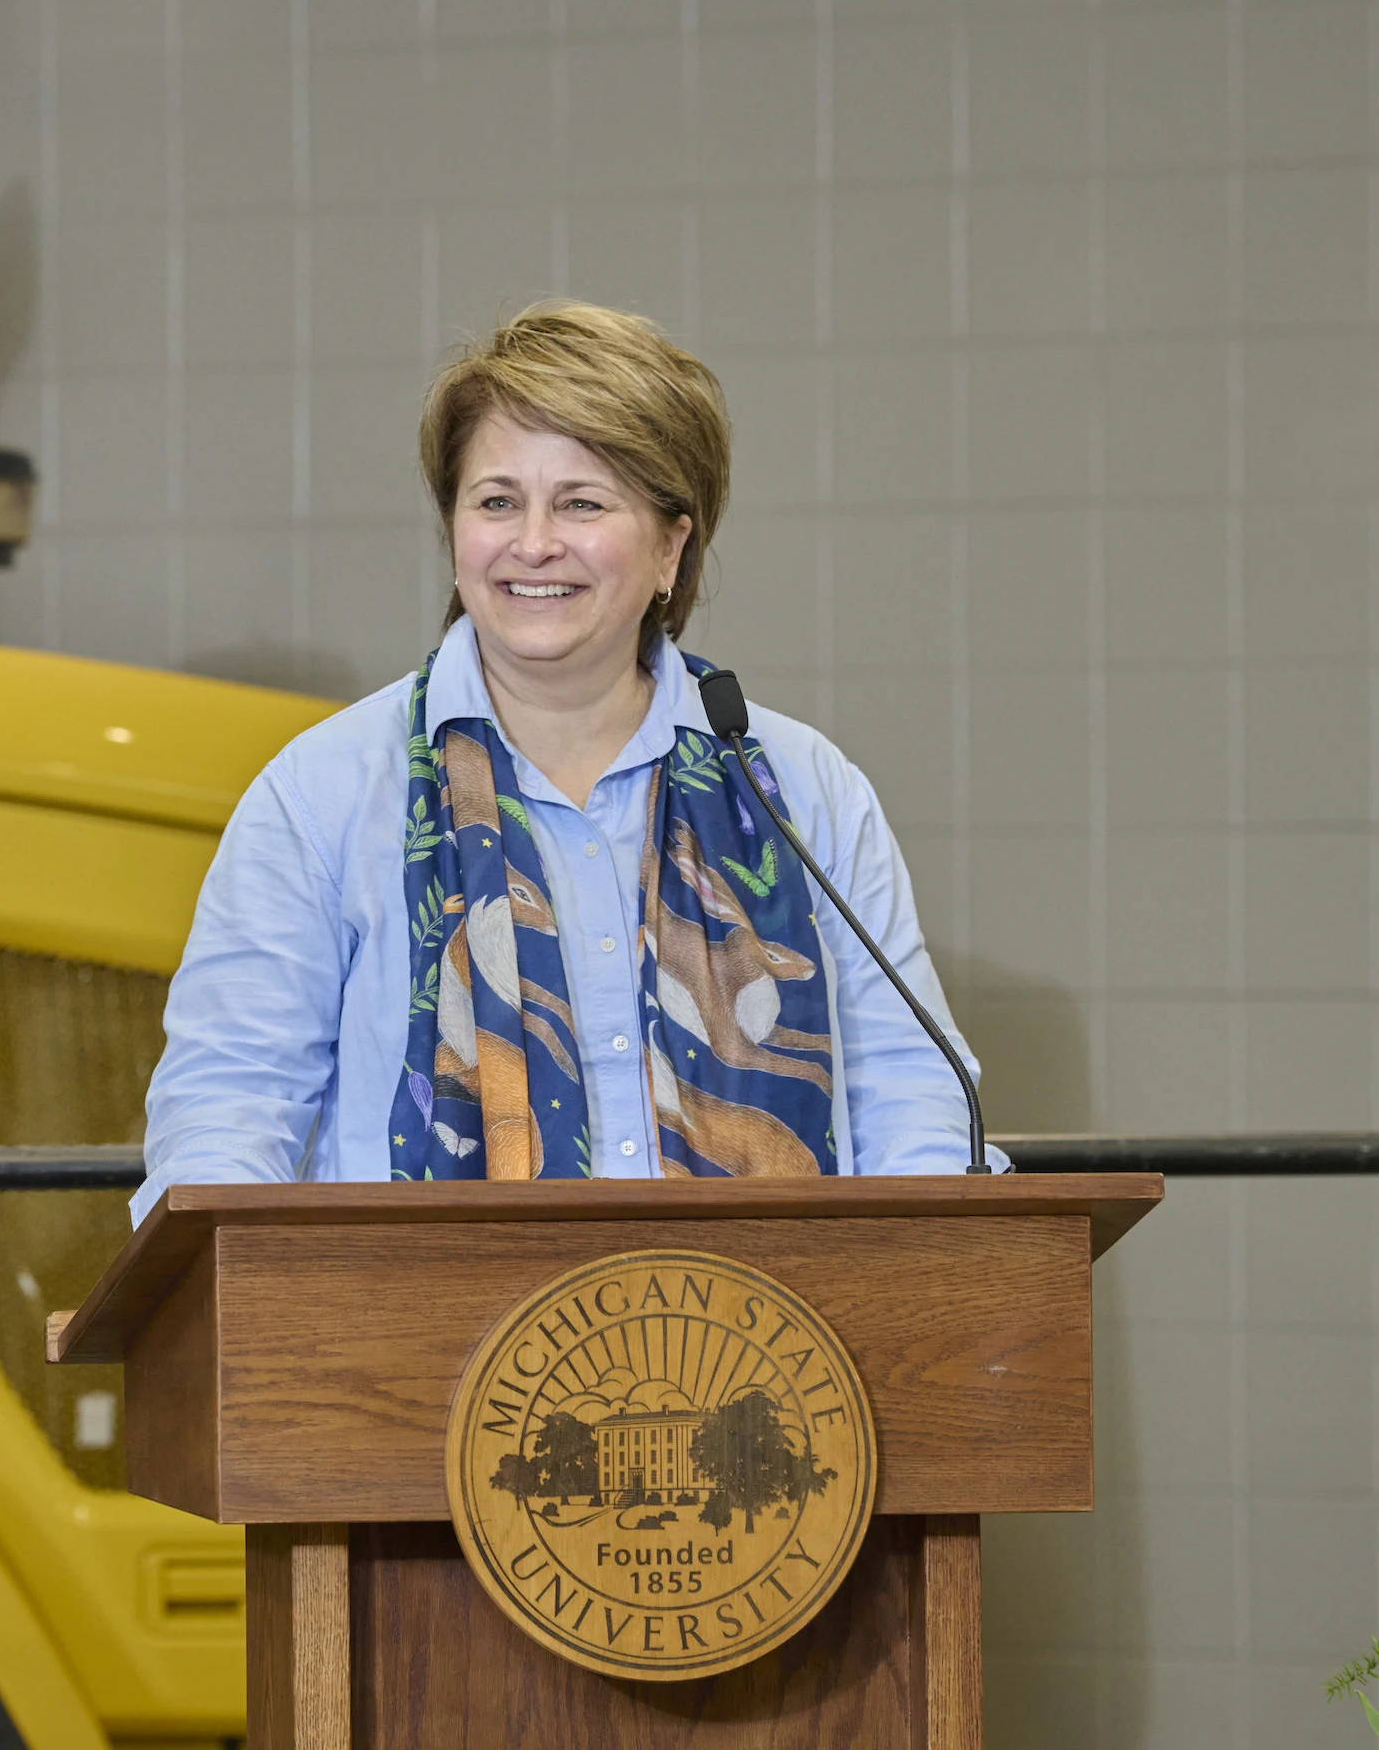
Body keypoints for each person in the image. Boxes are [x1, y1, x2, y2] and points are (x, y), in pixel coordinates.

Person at [135, 302, 985, 1221]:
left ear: (671, 545)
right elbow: (226, 1111)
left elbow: (914, 1091)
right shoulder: (325, 790)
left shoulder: (798, 786)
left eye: (582, 503)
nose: (533, 543)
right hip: (418, 1353)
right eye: (497, 501)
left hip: (766, 1350)